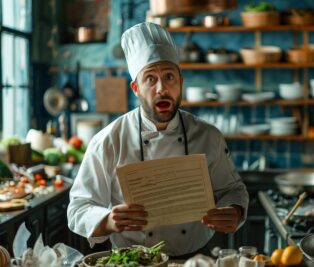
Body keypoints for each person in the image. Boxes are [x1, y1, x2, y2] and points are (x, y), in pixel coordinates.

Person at [67, 22, 249, 257]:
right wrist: (108, 219)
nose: (162, 88)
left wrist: (234, 211)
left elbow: (233, 189)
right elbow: (78, 209)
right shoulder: (108, 140)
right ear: (136, 88)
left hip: (194, 259)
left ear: (181, 82)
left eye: (169, 77)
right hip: (133, 260)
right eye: (150, 79)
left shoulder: (209, 136)